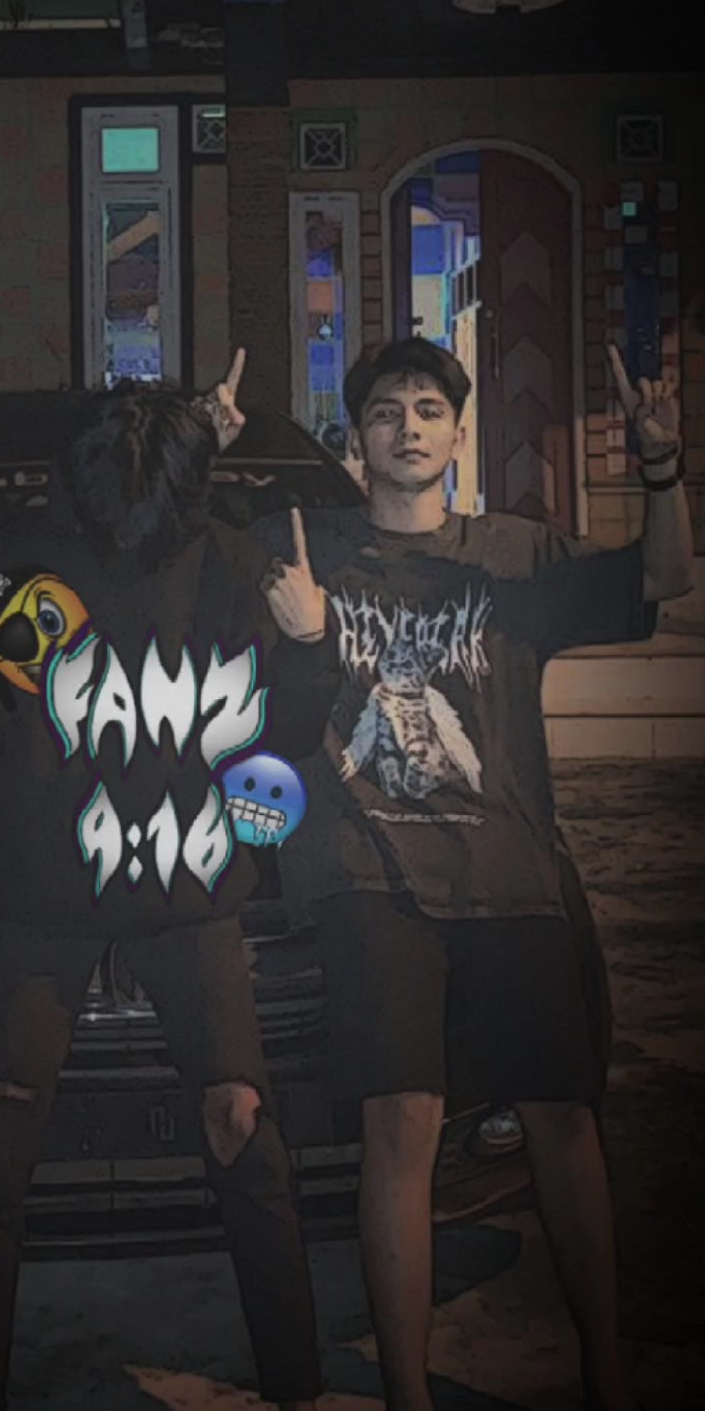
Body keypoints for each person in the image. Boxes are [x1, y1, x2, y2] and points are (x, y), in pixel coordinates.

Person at [254, 336, 692, 1411]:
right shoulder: (308, 549)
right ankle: (408, 1392)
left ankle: (607, 1369)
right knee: (401, 1124)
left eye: (427, 410)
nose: (408, 427)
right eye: (386, 412)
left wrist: (662, 466)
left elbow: (665, 578)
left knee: (562, 1120)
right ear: (356, 440)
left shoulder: (514, 555)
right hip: (373, 879)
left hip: (509, 875)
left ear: (457, 435)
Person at [0, 364, 342, 1411]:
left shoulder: (236, 564)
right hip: (48, 901)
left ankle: (297, 1385)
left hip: (191, 895)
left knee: (245, 1131)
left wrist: (308, 647)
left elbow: (288, 737)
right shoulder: (24, 561)